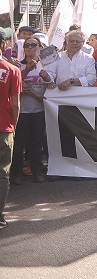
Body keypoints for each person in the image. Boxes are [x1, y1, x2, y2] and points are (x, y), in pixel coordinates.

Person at [12, 35, 52, 184]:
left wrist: (47, 79)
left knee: (36, 142)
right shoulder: (18, 65)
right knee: (18, 143)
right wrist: (26, 70)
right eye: (27, 45)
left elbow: (52, 85)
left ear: (40, 47)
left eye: (33, 45)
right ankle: (17, 173)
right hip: (21, 111)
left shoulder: (45, 65)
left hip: (39, 111)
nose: (30, 48)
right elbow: (15, 84)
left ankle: (36, 171)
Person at [0, 52, 22, 229]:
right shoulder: (12, 70)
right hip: (3, 127)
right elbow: (15, 104)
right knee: (2, 173)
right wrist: (13, 127)